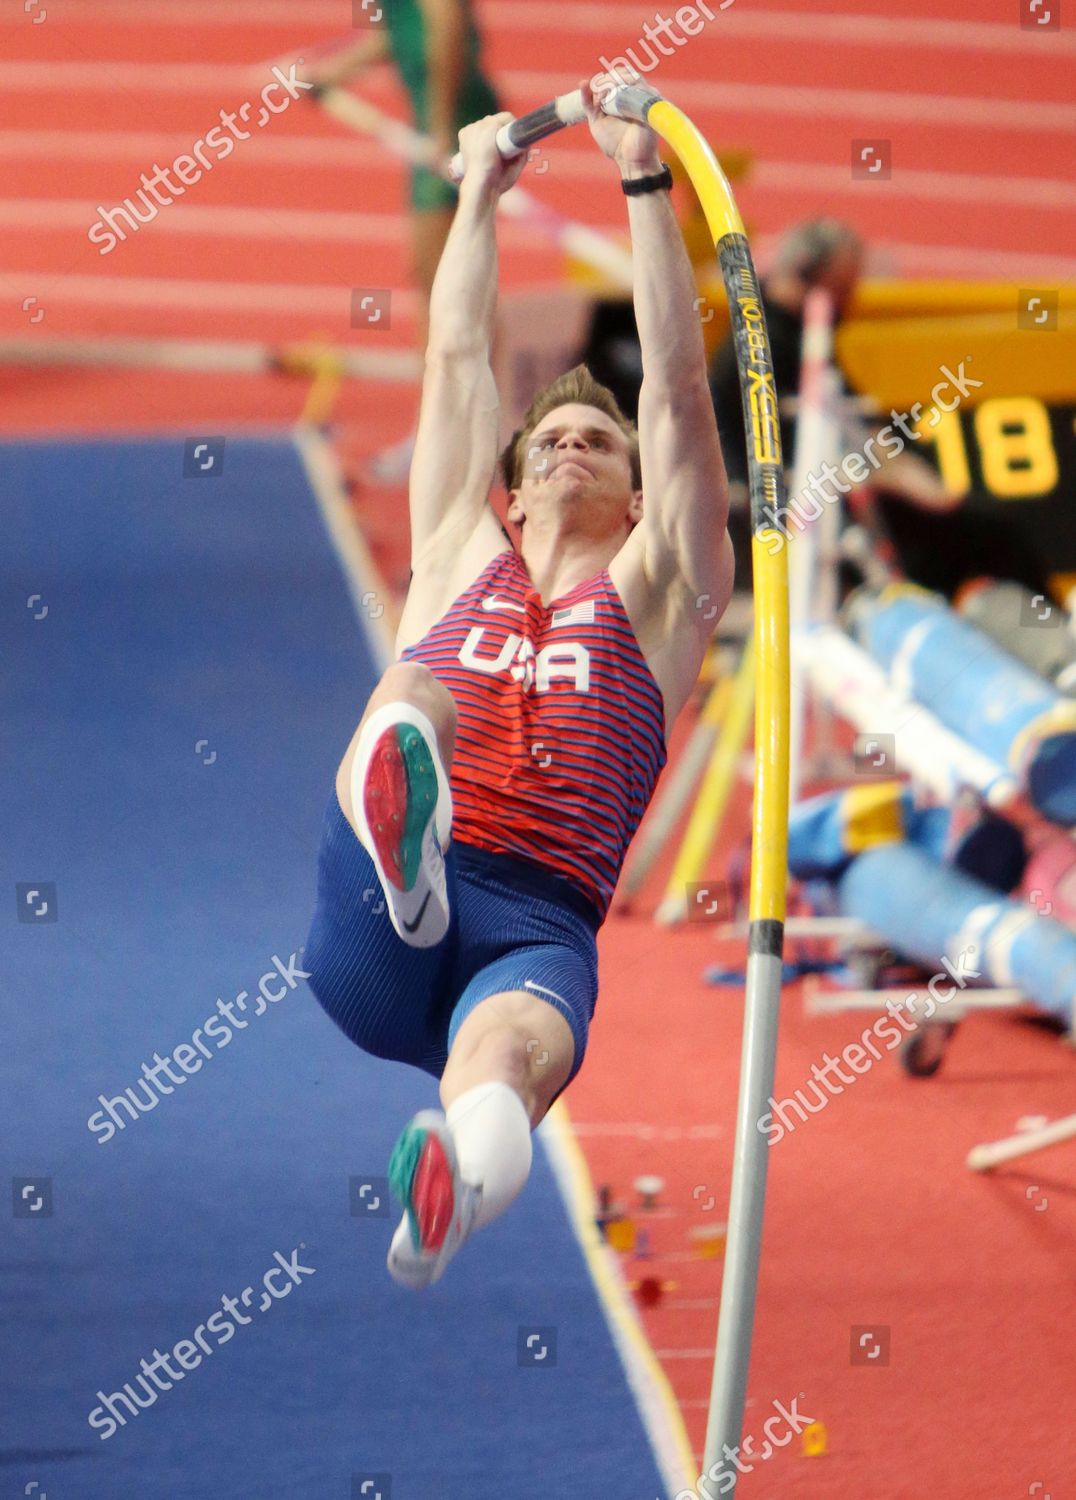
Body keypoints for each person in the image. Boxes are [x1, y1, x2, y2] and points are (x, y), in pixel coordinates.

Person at [304, 77, 734, 1289]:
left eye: (596, 441)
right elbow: (454, 355)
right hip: (371, 928)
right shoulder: (454, 547)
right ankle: (409, 864)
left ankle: (437, 1218)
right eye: (547, 439)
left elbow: (676, 393)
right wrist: (477, 194)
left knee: (505, 1059)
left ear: (639, 496)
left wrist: (642, 178)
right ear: (513, 477)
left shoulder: (664, 596)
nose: (567, 445)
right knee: (418, 696)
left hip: (536, 922)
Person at [708, 217, 1048, 597]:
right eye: (843, 289)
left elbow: (853, 428)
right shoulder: (763, 344)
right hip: (815, 517)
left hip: (839, 502)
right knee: (995, 535)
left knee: (983, 532)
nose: (850, 302)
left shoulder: (795, 330)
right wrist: (904, 480)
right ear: (808, 274)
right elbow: (802, 455)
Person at [307, 0, 501, 483]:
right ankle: (457, 429)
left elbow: (448, 30)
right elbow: (396, 32)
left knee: (443, 284)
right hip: (442, 123)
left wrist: (440, 127)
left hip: (454, 124)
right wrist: (333, 70)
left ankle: (445, 436)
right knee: (443, 279)